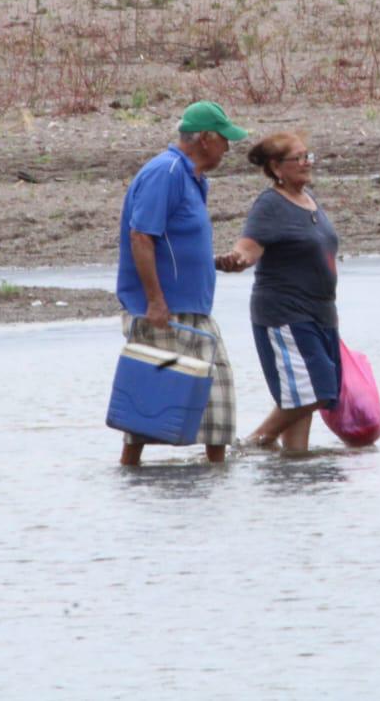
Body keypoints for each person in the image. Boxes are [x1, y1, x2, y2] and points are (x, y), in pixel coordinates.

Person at [115, 100, 250, 465]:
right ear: (205, 139)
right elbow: (141, 236)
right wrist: (155, 301)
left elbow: (175, 243)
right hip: (165, 311)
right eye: (225, 139)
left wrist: (212, 262)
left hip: (194, 310)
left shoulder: (195, 179)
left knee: (216, 408)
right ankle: (131, 471)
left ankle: (215, 476)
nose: (228, 147)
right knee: (149, 406)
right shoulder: (167, 171)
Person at [216, 132, 342, 454]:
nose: (306, 163)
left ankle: (296, 465)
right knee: (315, 390)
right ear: (276, 167)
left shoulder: (309, 198)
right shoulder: (270, 203)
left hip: (321, 314)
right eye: (297, 158)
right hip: (286, 314)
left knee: (302, 399)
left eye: (307, 156)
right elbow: (248, 247)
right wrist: (237, 259)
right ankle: (251, 445)